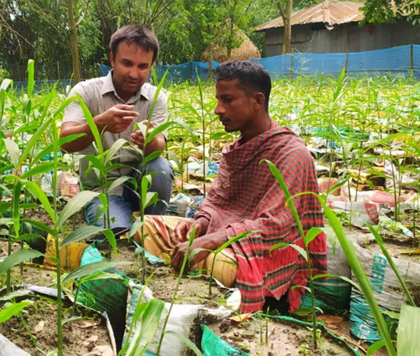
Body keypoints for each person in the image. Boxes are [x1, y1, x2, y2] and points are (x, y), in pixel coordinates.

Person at [134, 61, 327, 313]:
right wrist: (199, 224)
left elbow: (274, 225)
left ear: (257, 100)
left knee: (218, 264)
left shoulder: (292, 154)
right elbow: (217, 201)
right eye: (217, 99)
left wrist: (210, 241)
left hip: (261, 249)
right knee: (144, 227)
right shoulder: (234, 150)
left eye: (227, 100)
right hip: (225, 236)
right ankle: (187, 262)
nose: (217, 109)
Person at [60, 25, 173, 229]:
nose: (133, 73)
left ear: (151, 66)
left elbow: (159, 146)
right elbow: (64, 142)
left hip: (139, 183)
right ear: (112, 59)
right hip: (102, 189)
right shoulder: (85, 92)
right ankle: (120, 217)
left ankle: (152, 222)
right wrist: (99, 124)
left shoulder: (156, 98)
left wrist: (150, 141)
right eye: (126, 63)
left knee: (160, 168)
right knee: (115, 231)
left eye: (142, 67)